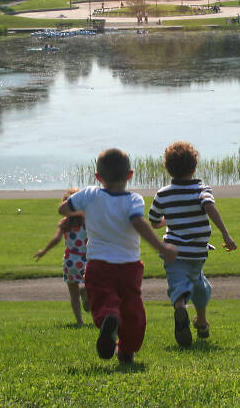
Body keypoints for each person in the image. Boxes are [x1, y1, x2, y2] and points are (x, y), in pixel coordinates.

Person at [58, 148, 177, 365]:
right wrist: (161, 247)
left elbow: (63, 209)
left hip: (98, 264)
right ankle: (126, 351)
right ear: (130, 175)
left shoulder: (89, 194)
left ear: (97, 177)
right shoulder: (134, 200)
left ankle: (109, 317)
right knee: (132, 308)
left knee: (103, 300)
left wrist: (82, 211)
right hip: (129, 266)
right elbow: (138, 223)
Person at [148, 141, 237, 348]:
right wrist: (225, 234)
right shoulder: (201, 189)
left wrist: (167, 220)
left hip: (172, 252)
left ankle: (180, 305)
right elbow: (209, 206)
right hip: (196, 252)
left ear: (168, 168)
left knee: (178, 284)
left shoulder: (163, 194)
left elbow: (154, 221)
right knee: (199, 286)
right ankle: (202, 322)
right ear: (194, 166)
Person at [34, 188, 89, 326]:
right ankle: (87, 291)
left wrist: (44, 250)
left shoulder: (64, 223)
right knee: (92, 286)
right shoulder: (87, 221)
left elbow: (56, 239)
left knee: (73, 295)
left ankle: (79, 321)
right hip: (86, 260)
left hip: (70, 261)